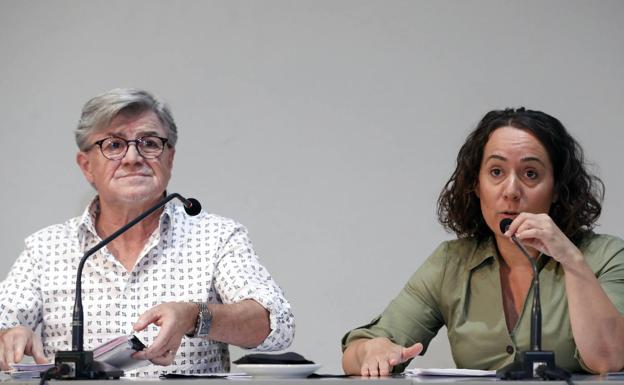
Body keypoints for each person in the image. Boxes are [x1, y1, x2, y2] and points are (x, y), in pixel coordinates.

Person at [0, 88, 295, 376]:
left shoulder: (217, 237)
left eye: (149, 143)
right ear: (87, 165)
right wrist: (9, 336)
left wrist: (194, 316)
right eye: (114, 145)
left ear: (170, 158)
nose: (132, 157)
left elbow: (277, 326)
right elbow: (4, 322)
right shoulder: (46, 247)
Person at [342, 108, 624, 376]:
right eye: (496, 172)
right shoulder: (451, 263)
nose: (511, 191)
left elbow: (609, 360)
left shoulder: (607, 256)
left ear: (558, 189)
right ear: (476, 185)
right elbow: (355, 352)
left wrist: (572, 261)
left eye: (530, 174)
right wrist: (372, 349)